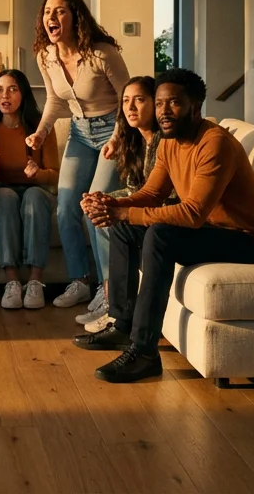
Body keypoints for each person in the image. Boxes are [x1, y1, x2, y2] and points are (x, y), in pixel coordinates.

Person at [76, 68, 254, 383]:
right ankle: (123, 325)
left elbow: (193, 214)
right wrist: (112, 205)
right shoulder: (169, 141)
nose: (164, 112)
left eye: (174, 103)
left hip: (247, 241)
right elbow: (151, 194)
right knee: (125, 229)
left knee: (160, 235)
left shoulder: (214, 143)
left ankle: (144, 352)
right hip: (210, 230)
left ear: (194, 106)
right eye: (159, 104)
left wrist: (125, 213)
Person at [25, 0, 130, 318]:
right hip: (80, 134)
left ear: (75, 17)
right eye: (47, 12)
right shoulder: (46, 56)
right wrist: (41, 133)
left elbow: (129, 99)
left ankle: (108, 290)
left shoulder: (102, 54)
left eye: (59, 12)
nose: (52, 18)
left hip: (113, 130)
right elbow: (56, 100)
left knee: (96, 208)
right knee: (66, 206)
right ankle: (80, 280)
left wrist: (117, 138)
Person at [77, 75, 159, 333]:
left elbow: (156, 196)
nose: (131, 107)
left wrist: (111, 205)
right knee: (100, 215)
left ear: (156, 103)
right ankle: (111, 301)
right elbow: (135, 190)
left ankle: (115, 307)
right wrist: (101, 200)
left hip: (160, 214)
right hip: (146, 207)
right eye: (125, 101)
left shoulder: (163, 141)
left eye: (139, 100)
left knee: (110, 220)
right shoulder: (134, 140)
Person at [0, 69, 58, 310]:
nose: (5, 95)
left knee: (33, 196)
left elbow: (54, 175)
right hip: (2, 190)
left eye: (13, 89)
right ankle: (11, 280)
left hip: (37, 190)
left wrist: (38, 173)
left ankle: (35, 280)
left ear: (23, 94)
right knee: (4, 196)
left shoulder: (41, 127)